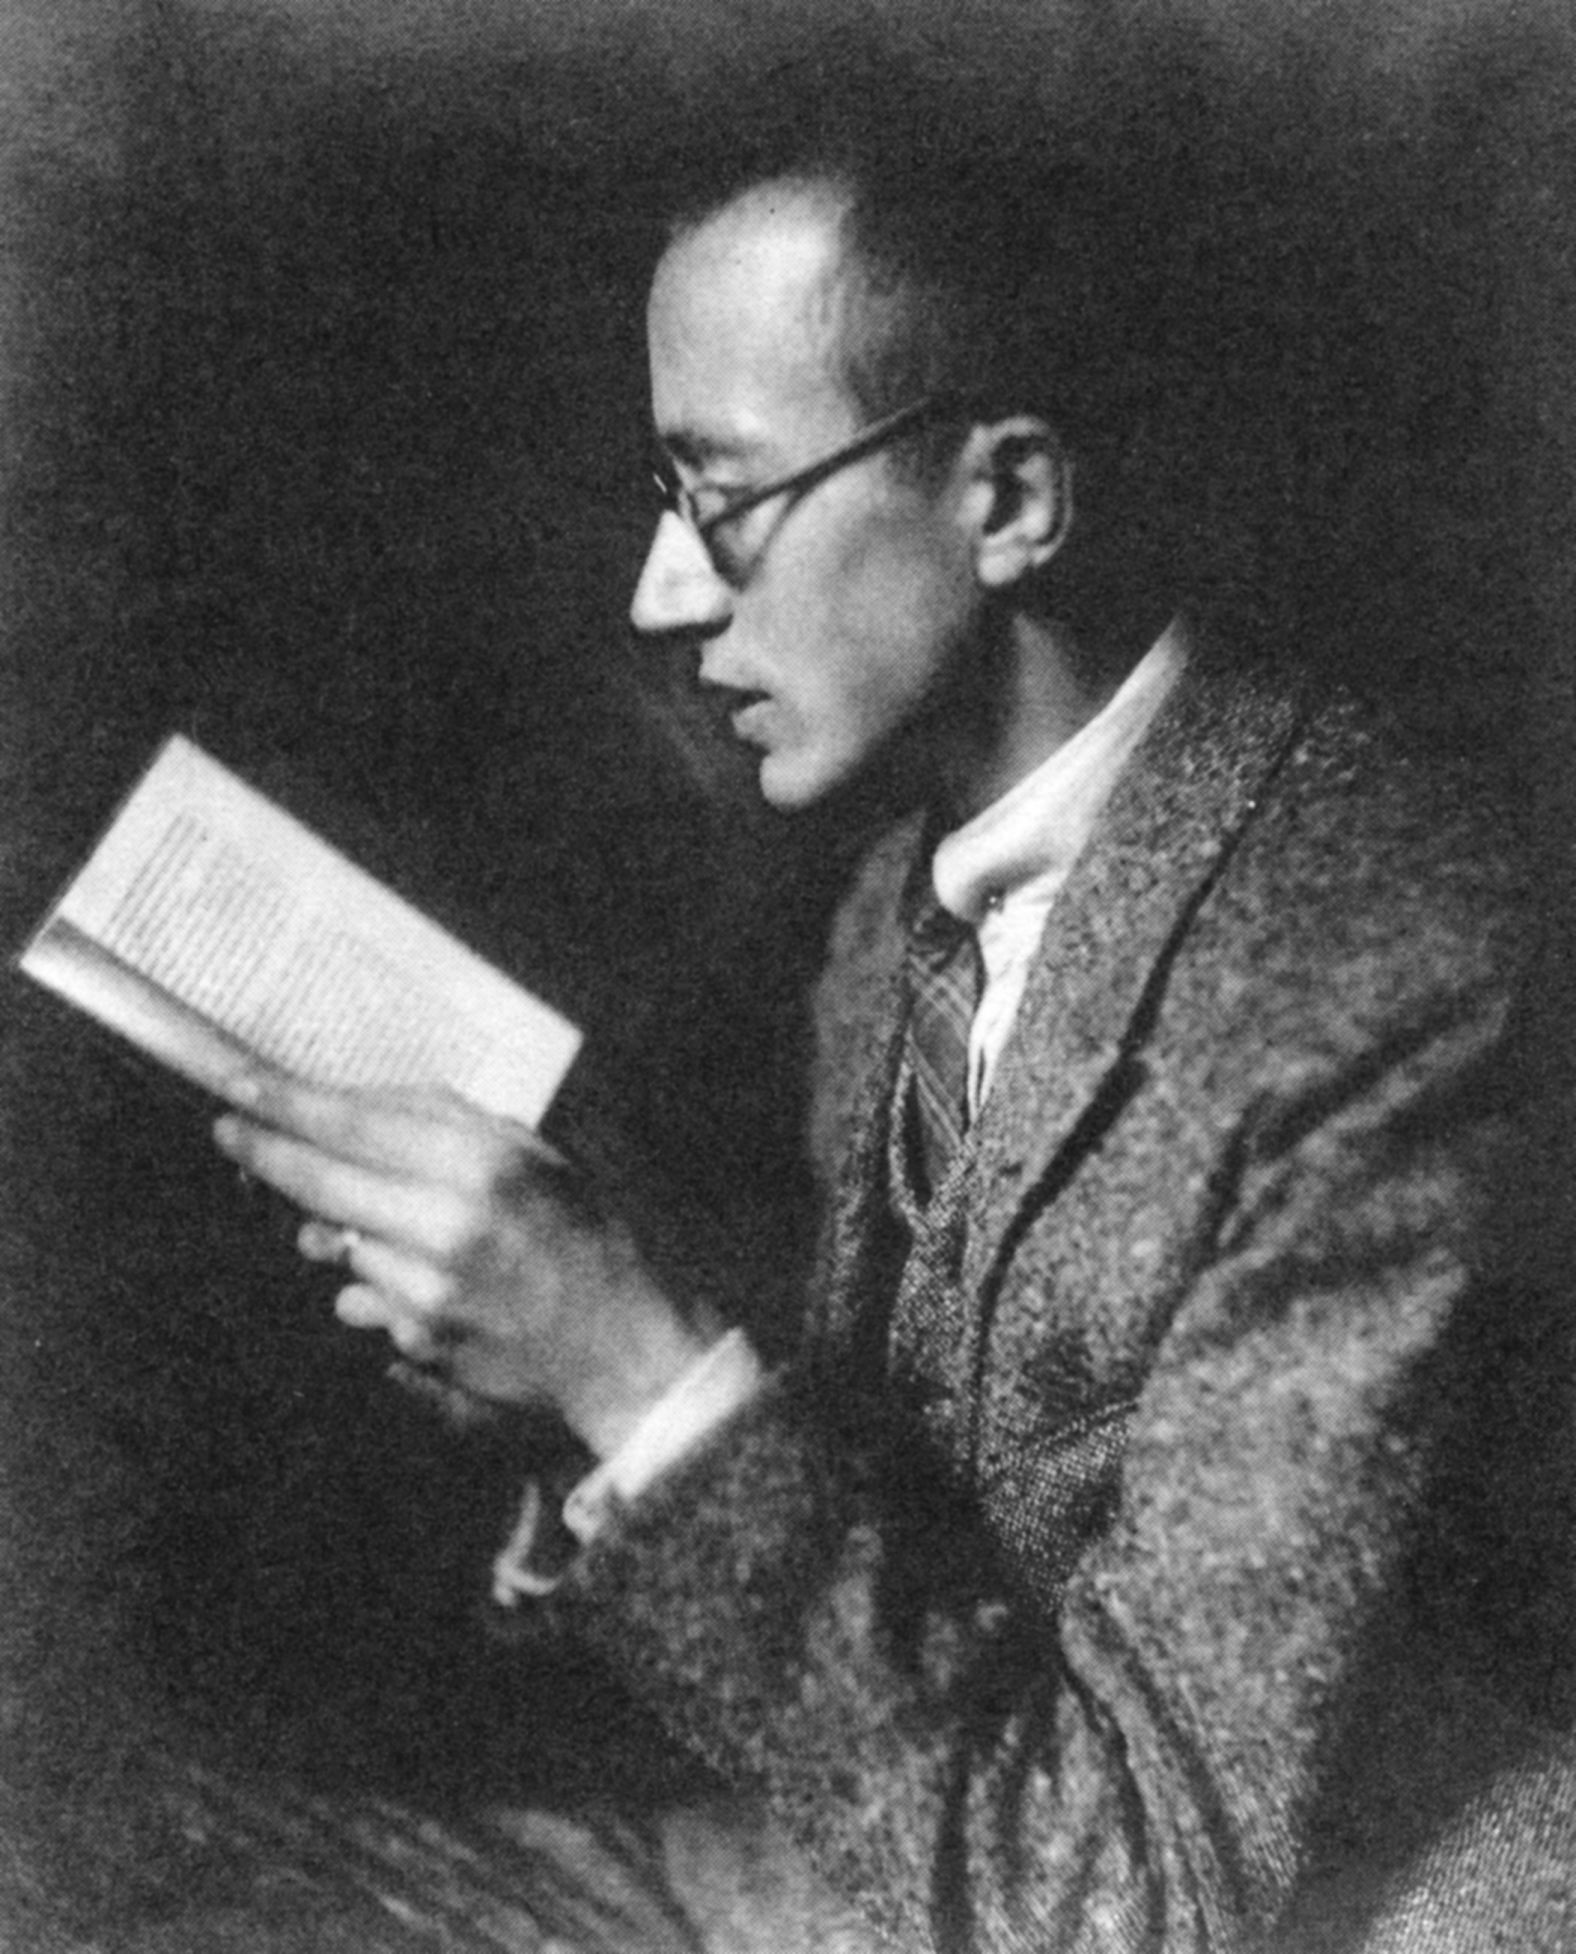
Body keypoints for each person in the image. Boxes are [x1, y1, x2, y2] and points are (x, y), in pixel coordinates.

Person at [211, 124, 1574, 1952]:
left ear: (1008, 499)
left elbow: (1141, 1890)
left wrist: (639, 1373)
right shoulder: (886, 919)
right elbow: (895, 1591)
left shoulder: (1393, 963)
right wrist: (563, 1388)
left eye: (725, 497)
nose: (662, 592)